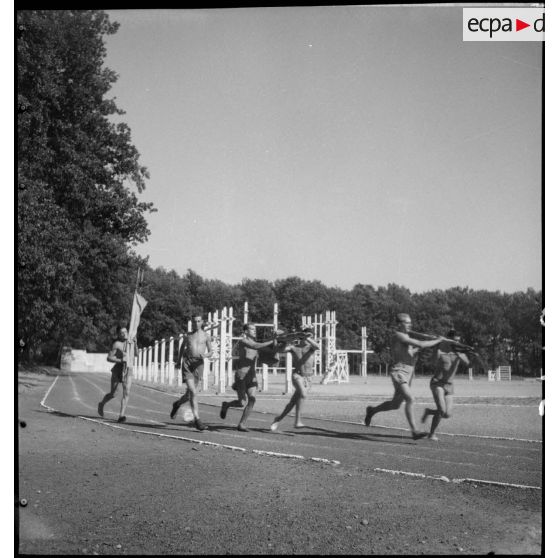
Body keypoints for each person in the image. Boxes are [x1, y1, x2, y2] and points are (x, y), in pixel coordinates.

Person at [363, 313, 445, 440]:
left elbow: (411, 352)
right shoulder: (398, 335)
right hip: (399, 372)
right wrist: (437, 341)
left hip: (408, 373)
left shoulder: (406, 336)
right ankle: (414, 431)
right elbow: (420, 343)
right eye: (407, 322)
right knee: (410, 399)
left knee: (395, 405)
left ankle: (372, 411)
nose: (409, 325)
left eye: (410, 323)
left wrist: (423, 347)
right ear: (399, 324)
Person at [219, 322, 277, 432]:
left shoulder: (256, 344)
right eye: (252, 329)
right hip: (241, 375)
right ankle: (226, 405)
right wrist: (272, 340)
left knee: (252, 400)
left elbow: (270, 350)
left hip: (252, 376)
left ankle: (242, 424)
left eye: (255, 329)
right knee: (241, 403)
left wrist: (279, 342)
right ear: (246, 331)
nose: (254, 331)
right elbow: (255, 346)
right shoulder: (243, 341)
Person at [421, 330, 470, 441]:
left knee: (447, 414)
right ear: (449, 340)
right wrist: (436, 347)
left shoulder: (460, 352)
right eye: (454, 341)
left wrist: (458, 353)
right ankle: (431, 434)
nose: (457, 343)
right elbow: (432, 362)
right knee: (442, 410)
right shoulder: (440, 351)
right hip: (437, 383)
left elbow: (467, 363)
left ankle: (429, 411)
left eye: (458, 341)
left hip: (449, 385)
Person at [270, 327, 320, 431]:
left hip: (308, 378)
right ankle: (297, 421)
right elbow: (279, 350)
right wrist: (282, 340)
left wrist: (308, 338)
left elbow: (317, 346)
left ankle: (278, 418)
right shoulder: (294, 347)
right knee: (303, 394)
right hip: (297, 375)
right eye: (305, 336)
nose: (307, 338)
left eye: (311, 337)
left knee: (293, 402)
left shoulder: (311, 347)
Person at [170, 314, 214, 431]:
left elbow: (211, 352)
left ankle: (177, 404)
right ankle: (197, 420)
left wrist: (205, 355)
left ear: (202, 322)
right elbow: (182, 348)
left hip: (198, 365)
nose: (196, 323)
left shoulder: (206, 336)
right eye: (194, 321)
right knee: (193, 392)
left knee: (189, 394)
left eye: (198, 321)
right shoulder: (188, 335)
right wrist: (178, 361)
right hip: (187, 364)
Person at [98, 325, 138, 423]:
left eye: (125, 332)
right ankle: (102, 403)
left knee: (126, 392)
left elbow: (136, 354)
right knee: (113, 394)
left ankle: (121, 415)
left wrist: (136, 344)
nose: (124, 334)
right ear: (119, 335)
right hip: (118, 370)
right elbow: (109, 358)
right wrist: (121, 360)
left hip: (128, 369)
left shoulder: (131, 342)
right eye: (121, 333)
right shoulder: (117, 344)